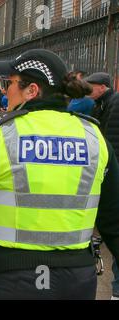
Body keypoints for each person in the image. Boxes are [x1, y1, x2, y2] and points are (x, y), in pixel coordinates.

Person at [0, 49, 119, 300]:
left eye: (10, 83)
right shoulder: (95, 138)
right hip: (76, 279)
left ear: (31, 91)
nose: (7, 90)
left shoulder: (0, 135)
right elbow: (113, 216)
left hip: (10, 277)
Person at [84, 72, 119, 300]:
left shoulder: (113, 106)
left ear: (103, 87)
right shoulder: (103, 104)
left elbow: (111, 142)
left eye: (92, 87)